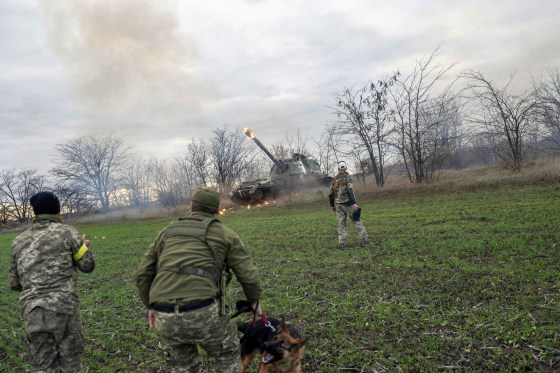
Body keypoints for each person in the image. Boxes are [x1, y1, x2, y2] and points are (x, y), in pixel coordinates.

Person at [136, 187, 263, 372]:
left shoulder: (166, 232)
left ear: (191, 207)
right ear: (217, 210)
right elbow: (248, 275)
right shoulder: (225, 233)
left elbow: (142, 273)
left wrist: (150, 305)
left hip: (164, 315)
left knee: (183, 365)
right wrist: (254, 301)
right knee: (227, 355)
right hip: (203, 311)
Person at [8, 191, 95, 372]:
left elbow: (14, 283)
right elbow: (87, 265)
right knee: (70, 365)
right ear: (57, 210)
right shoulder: (67, 232)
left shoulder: (18, 241)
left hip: (33, 312)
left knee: (43, 367)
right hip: (64, 309)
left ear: (36, 212)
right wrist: (83, 248)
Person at [328, 161, 370, 248]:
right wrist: (354, 203)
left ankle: (343, 243)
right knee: (357, 221)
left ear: (338, 169)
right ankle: (365, 241)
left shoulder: (334, 179)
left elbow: (330, 194)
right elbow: (350, 190)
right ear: (345, 168)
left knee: (341, 224)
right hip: (349, 204)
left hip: (338, 205)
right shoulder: (347, 177)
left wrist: (332, 205)